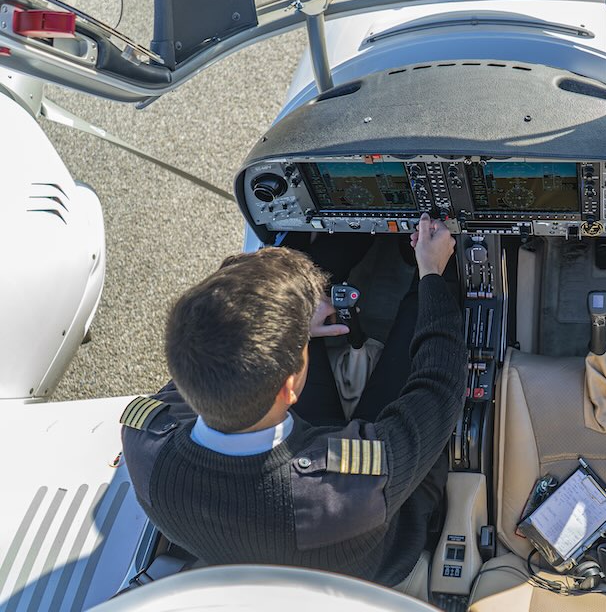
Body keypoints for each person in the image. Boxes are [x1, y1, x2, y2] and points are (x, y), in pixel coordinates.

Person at [120, 214, 466, 589]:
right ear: (289, 389)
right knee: (421, 331)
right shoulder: (353, 483)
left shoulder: (144, 443)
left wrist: (298, 324)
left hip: (293, 519)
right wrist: (431, 273)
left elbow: (213, 353)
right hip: (374, 542)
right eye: (300, 346)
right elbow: (438, 387)